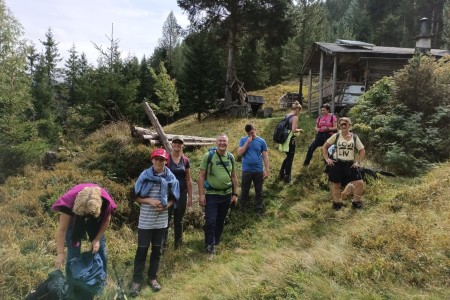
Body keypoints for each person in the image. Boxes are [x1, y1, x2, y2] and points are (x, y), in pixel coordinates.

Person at [52, 183, 117, 298]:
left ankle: (100, 284)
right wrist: (60, 253)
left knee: (100, 250)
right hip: (75, 219)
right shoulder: (68, 202)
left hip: (95, 219)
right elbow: (62, 230)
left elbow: (106, 221)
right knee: (73, 253)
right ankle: (72, 288)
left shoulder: (105, 200)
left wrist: (96, 239)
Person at [130, 148, 180, 296]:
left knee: (157, 251)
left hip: (161, 221)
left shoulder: (171, 178)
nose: (159, 162)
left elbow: (174, 199)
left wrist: (166, 206)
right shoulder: (144, 176)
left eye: (162, 159)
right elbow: (135, 197)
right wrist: (149, 201)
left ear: (166, 161)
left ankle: (152, 278)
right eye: (156, 159)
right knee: (141, 251)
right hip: (145, 221)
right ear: (152, 160)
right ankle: (136, 281)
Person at [198, 133, 238, 259]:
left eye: (224, 141)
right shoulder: (208, 156)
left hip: (226, 195)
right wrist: (201, 195)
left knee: (220, 221)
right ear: (216, 143)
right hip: (212, 195)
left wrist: (235, 193)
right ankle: (209, 246)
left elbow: (234, 176)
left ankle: (215, 241)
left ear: (227, 143)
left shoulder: (231, 157)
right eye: (220, 141)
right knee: (210, 221)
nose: (222, 143)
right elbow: (201, 176)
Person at [322, 117, 366, 210]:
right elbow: (325, 147)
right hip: (337, 163)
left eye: (345, 124)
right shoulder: (336, 136)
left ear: (350, 125)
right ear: (339, 126)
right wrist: (327, 159)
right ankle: (337, 203)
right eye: (341, 124)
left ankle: (356, 202)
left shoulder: (354, 137)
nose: (343, 125)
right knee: (336, 184)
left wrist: (358, 162)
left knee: (359, 183)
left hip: (350, 163)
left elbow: (362, 150)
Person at [164, 136, 193, 249]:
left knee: (179, 221)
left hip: (181, 195)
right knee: (165, 221)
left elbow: (188, 180)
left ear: (182, 145)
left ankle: (178, 246)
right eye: (175, 142)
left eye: (179, 142)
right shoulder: (166, 159)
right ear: (172, 144)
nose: (177, 144)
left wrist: (190, 197)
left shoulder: (185, 160)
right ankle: (163, 246)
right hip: (168, 196)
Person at [237, 124, 269, 215]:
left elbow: (265, 157)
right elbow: (239, 153)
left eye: (252, 132)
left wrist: (267, 170)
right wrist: (247, 142)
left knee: (259, 190)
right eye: (249, 133)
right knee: (244, 190)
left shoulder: (261, 141)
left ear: (255, 129)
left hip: (258, 170)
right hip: (247, 170)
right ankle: (242, 208)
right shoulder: (243, 140)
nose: (251, 135)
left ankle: (258, 209)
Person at [278, 101, 304, 183]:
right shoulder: (295, 117)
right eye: (299, 111)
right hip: (290, 139)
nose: (299, 113)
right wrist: (300, 130)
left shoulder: (287, 115)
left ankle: (281, 173)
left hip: (284, 139)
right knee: (290, 158)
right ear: (297, 109)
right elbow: (293, 130)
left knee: (288, 156)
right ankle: (287, 176)